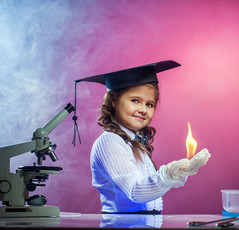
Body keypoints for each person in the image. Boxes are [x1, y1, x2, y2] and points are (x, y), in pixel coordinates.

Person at [77, 60, 211, 214]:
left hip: (143, 226)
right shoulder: (110, 140)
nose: (143, 110)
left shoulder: (134, 141)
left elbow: (150, 189)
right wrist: (168, 174)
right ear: (114, 101)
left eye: (150, 104)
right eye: (135, 101)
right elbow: (136, 192)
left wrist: (180, 171)